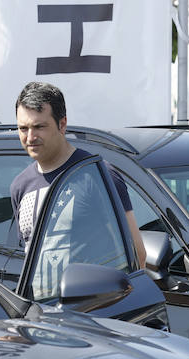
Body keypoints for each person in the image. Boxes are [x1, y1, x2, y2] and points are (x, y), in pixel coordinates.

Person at [10, 81, 145, 262]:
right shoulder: (20, 186)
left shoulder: (98, 175)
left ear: (62, 124)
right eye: (23, 128)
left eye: (39, 127)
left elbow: (136, 255)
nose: (31, 137)